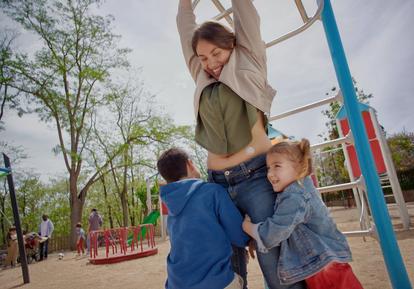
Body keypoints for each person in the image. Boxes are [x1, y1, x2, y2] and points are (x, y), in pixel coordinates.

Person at [177, 1, 304, 288]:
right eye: (202, 57)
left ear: (232, 45)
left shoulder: (249, 59)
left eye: (216, 53)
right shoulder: (202, 75)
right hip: (218, 184)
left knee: (272, 259)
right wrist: (184, 5)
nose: (210, 63)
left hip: (256, 177)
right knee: (227, 264)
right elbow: (185, 29)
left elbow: (246, 12)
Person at [242, 139, 364, 289]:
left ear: (300, 167)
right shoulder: (298, 189)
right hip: (324, 264)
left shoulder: (295, 196)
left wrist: (249, 228)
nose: (270, 174)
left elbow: (273, 235)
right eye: (268, 168)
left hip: (324, 268)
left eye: (277, 166)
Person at [157, 148, 249, 289]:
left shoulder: (171, 207)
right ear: (190, 164)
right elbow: (240, 237)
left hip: (176, 284)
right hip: (215, 282)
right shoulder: (212, 191)